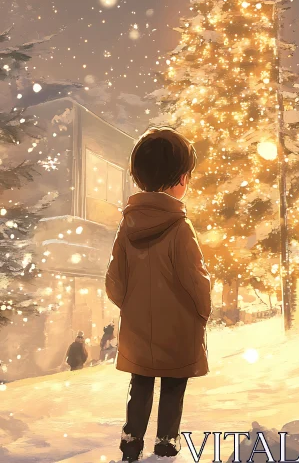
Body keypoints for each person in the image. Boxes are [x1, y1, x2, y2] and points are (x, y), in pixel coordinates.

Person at [106, 127, 211, 463]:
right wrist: (202, 309)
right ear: (181, 179)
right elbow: (195, 278)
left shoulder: (127, 225)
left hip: (139, 331)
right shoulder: (180, 227)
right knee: (173, 385)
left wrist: (133, 306)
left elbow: (114, 280)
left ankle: (131, 444)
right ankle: (166, 446)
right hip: (178, 328)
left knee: (140, 384)